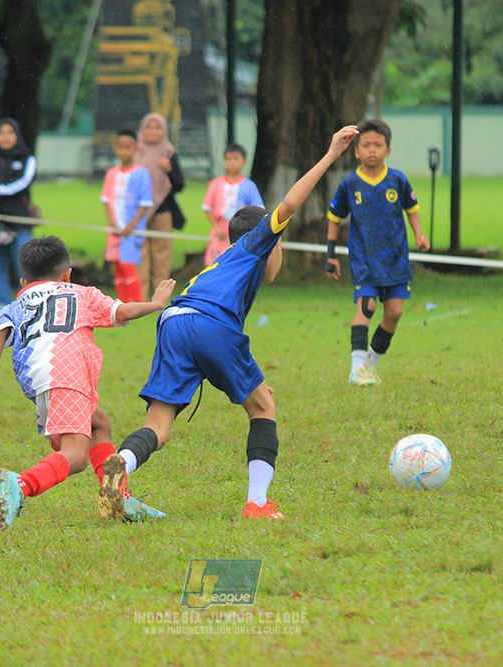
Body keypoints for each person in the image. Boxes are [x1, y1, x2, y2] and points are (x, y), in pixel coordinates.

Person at [97, 125, 360, 522]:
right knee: (264, 409)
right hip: (207, 324)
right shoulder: (253, 245)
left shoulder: (218, 265)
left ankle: (123, 463)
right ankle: (256, 503)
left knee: (159, 427)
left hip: (174, 321)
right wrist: (329, 156)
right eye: (279, 244)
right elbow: (288, 205)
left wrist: (249, 378)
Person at [0, 236, 175, 529]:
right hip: (66, 371)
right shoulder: (81, 293)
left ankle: (117, 497)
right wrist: (156, 303)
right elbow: (121, 311)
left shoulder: (18, 302)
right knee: (76, 456)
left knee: (99, 425)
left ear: (24, 281)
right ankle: (20, 483)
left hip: (36, 378)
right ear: (67, 274)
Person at [324, 118, 429, 387]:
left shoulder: (398, 179)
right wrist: (331, 254)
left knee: (394, 312)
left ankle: (369, 367)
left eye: (378, 145)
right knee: (367, 305)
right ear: (356, 151)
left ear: (388, 150)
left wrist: (419, 235)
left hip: (395, 258)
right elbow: (335, 218)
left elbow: (412, 209)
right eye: (366, 145)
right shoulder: (350, 184)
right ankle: (355, 368)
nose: (372, 150)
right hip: (364, 259)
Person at [0, 118, 38, 313]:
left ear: (17, 135)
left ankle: (28, 306)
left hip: (19, 219)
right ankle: (0, 308)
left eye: (10, 133)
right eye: (2, 133)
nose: (5, 137)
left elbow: (22, 183)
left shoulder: (28, 159)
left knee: (25, 265)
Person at [136, 112, 185, 299]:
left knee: (162, 254)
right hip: (137, 214)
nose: (153, 131)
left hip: (163, 210)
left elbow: (180, 184)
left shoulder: (168, 152)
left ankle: (159, 297)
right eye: (149, 127)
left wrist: (169, 169)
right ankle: (138, 297)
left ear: (164, 130)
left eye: (157, 127)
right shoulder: (135, 152)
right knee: (139, 253)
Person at [102, 129, 154, 303]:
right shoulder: (112, 173)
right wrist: (112, 223)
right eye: (120, 147)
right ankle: (123, 303)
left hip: (133, 230)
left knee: (127, 263)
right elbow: (107, 201)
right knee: (117, 265)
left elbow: (144, 203)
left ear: (136, 149)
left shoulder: (142, 173)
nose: (124, 151)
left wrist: (131, 225)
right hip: (115, 229)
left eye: (128, 147)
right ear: (115, 149)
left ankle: (137, 302)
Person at [201, 143, 264, 266]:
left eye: (236, 159)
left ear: (244, 162)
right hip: (220, 231)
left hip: (241, 230)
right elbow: (208, 208)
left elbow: (258, 209)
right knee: (214, 263)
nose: (232, 162)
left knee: (236, 262)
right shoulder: (216, 184)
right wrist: (217, 227)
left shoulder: (249, 186)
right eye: (228, 159)